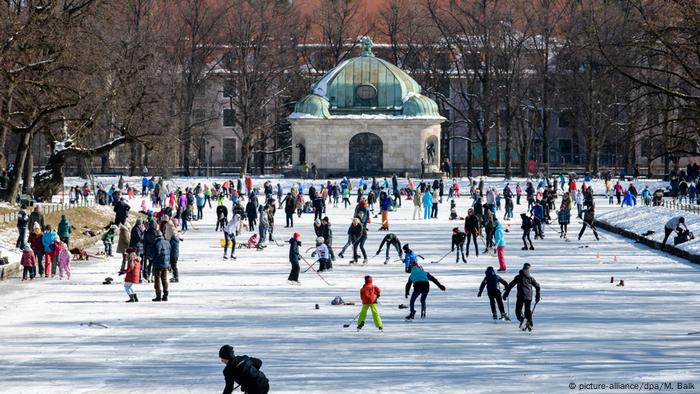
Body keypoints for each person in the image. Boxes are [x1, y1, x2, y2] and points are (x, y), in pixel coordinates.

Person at [503, 263, 541, 331]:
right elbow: (537, 286)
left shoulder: (518, 277)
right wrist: (537, 295)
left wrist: (506, 293)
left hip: (520, 296)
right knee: (528, 311)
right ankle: (530, 323)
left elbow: (510, 285)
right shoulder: (530, 278)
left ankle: (522, 319)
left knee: (518, 311)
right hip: (529, 297)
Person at [151, 231, 171, 301]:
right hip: (166, 264)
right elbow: (169, 253)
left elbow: (154, 254)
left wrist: (151, 258)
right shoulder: (167, 242)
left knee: (157, 280)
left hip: (158, 264)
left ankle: (158, 296)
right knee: (164, 279)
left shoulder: (157, 243)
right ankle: (165, 295)